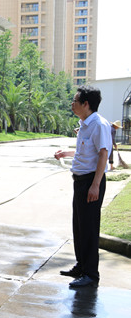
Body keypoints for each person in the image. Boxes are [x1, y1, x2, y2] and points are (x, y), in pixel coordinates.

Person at [54, 85, 112, 288]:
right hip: (80, 182)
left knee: (89, 228)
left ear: (86, 104)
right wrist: (66, 154)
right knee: (79, 227)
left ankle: (91, 274)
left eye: (75, 100)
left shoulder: (99, 125)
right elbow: (86, 151)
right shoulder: (85, 124)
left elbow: (103, 155)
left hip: (90, 182)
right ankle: (81, 266)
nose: (72, 104)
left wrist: (95, 186)